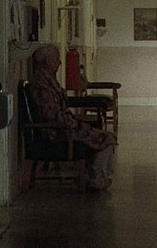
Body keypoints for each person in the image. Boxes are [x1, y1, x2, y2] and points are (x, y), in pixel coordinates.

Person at [29, 44, 117, 190]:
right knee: (106, 138)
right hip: (58, 132)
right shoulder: (41, 84)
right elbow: (51, 114)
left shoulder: (47, 80)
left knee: (106, 136)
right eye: (57, 58)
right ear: (47, 61)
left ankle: (96, 176)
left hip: (64, 127)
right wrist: (75, 124)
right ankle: (97, 179)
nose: (60, 62)